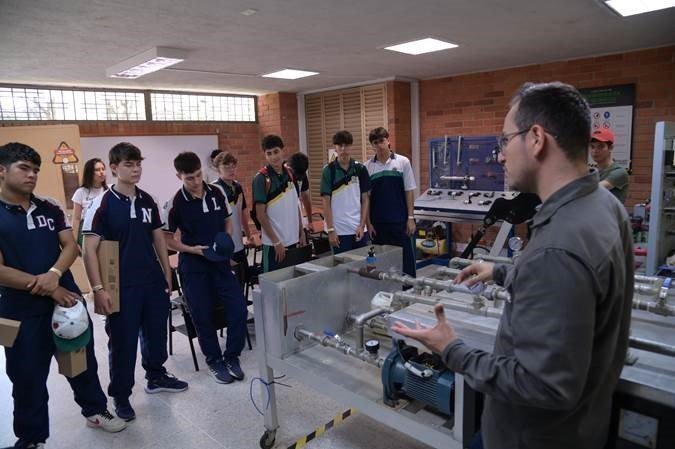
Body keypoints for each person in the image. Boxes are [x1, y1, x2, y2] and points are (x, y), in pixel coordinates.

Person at [393, 82, 634, 449]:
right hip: (581, 428)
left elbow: (544, 384)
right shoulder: (603, 206)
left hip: (530, 436)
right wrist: (504, 271)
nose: (501, 156)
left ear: (536, 138)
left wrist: (452, 349)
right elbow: (573, 280)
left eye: (505, 141)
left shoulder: (559, 248)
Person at [0, 142, 126, 449]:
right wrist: (48, 286)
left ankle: (95, 411)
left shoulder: (49, 206)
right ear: (2, 171)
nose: (32, 176)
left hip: (67, 304)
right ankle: (31, 438)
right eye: (24, 169)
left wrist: (55, 275)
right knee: (27, 376)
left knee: (81, 364)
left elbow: (71, 245)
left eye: (35, 170)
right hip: (19, 312)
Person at [82, 142, 188, 423]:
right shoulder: (100, 204)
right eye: (129, 164)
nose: (136, 169)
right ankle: (121, 394)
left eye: (138, 163)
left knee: (156, 335)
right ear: (114, 168)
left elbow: (158, 238)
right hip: (121, 287)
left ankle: (155, 376)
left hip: (152, 281)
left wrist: (167, 273)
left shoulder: (147, 199)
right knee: (123, 344)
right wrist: (98, 289)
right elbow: (88, 249)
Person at [163, 151, 247, 384]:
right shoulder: (175, 203)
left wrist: (225, 240)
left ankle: (232, 356)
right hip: (193, 265)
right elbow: (167, 239)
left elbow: (228, 220)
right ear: (179, 176)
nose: (197, 181)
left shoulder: (217, 192)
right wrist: (192, 249)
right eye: (190, 178)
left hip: (219, 262)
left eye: (199, 175)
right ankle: (214, 360)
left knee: (238, 309)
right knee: (202, 316)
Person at [364, 127, 417, 276]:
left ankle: (409, 291)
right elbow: (366, 198)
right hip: (378, 224)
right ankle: (384, 291)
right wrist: (368, 223)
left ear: (388, 141)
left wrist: (410, 218)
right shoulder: (367, 167)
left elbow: (409, 191)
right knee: (381, 261)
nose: (379, 145)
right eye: (375, 142)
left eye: (382, 141)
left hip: (400, 221)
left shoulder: (403, 162)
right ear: (372, 146)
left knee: (405, 260)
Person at [252, 135, 305, 272]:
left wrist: (302, 232)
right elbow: (260, 215)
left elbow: (296, 205)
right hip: (274, 245)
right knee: (272, 288)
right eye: (269, 153)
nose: (273, 157)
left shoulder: (291, 174)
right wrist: (276, 241)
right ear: (265, 155)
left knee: (291, 285)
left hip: (293, 240)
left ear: (282, 151)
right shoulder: (261, 178)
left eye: (276, 152)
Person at [320, 130, 371, 254]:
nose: (343, 148)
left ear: (351, 146)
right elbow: (325, 202)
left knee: (361, 268)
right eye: (340, 145)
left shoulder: (360, 169)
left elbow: (365, 199)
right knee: (341, 270)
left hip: (358, 230)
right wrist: (331, 230)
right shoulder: (328, 170)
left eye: (346, 145)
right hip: (339, 232)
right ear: (335, 147)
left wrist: (362, 225)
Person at [212, 151, 253, 276]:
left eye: (233, 166)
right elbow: (214, 222)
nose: (231, 170)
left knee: (244, 279)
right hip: (224, 247)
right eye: (226, 167)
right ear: (218, 169)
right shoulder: (213, 189)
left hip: (239, 243)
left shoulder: (238, 187)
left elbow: (242, 213)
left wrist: (249, 235)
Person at [71, 158, 107, 247]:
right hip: (87, 230)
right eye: (97, 170)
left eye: (103, 169)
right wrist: (74, 242)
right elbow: (76, 219)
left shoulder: (109, 190)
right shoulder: (81, 192)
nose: (101, 172)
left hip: (106, 230)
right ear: (89, 173)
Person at [590, 128, 630, 203]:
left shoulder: (619, 172)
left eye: (600, 146)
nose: (595, 150)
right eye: (592, 146)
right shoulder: (593, 172)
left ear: (610, 148)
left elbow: (592, 190)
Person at [288, 152, 313, 229]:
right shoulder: (280, 175)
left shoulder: (301, 173)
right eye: (296, 175)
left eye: (301, 176)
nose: (298, 178)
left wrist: (310, 221)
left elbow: (305, 198)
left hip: (297, 213)